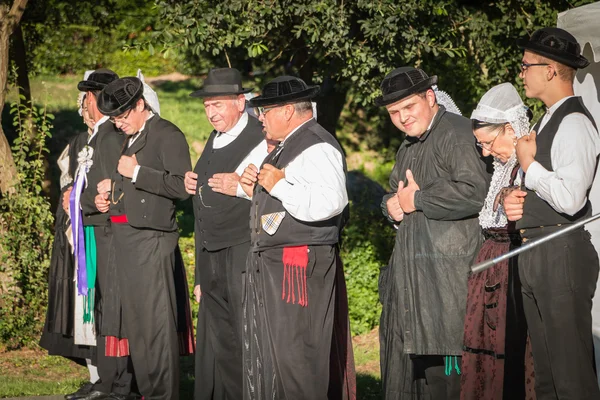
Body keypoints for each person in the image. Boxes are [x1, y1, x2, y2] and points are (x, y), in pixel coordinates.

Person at [239, 75, 356, 400]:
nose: (261, 118)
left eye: (266, 111)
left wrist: (276, 185)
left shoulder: (316, 144)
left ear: (288, 110)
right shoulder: (291, 144)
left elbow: (331, 201)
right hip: (282, 263)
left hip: (298, 265)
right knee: (284, 356)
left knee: (300, 356)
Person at [376, 66, 489, 399]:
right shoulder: (409, 144)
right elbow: (397, 193)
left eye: (408, 107)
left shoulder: (455, 132)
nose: (402, 118)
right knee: (426, 383)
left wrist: (418, 199)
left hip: (449, 286)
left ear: (429, 97)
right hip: (418, 284)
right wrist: (390, 206)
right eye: (394, 112)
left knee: (450, 382)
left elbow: (474, 191)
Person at [503, 27, 600, 399]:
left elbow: (571, 198)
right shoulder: (546, 120)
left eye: (526, 65)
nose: (521, 72)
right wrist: (519, 197)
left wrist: (530, 165)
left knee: (571, 375)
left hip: (561, 254)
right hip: (538, 251)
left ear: (550, 70)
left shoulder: (574, 122)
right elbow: (547, 191)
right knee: (545, 375)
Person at [94, 76, 194, 400]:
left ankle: (163, 395)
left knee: (156, 328)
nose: (118, 124)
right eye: (114, 119)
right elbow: (130, 185)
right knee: (137, 328)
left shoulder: (167, 133)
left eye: (122, 117)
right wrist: (111, 193)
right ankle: (149, 393)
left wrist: (137, 173)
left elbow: (181, 186)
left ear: (140, 105)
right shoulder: (133, 135)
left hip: (151, 241)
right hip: (126, 238)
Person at [183, 67, 268, 399]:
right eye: (207, 106)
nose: (211, 113)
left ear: (240, 101)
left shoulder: (261, 138)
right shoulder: (215, 138)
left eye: (218, 104)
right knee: (223, 342)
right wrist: (200, 274)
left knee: (245, 339)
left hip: (243, 251)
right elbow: (203, 212)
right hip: (214, 254)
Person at [461, 83, 534, 400]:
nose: (487, 152)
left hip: (513, 270)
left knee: (511, 352)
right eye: (481, 146)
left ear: (509, 129)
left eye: (489, 143)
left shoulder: (529, 162)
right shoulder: (502, 168)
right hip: (493, 270)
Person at [40, 74, 98, 400]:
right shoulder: (77, 142)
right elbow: (66, 177)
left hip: (102, 239)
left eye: (88, 100)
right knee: (82, 309)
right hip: (78, 238)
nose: (84, 107)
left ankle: (113, 379)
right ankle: (96, 377)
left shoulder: (116, 139)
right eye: (84, 102)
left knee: (101, 311)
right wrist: (67, 195)